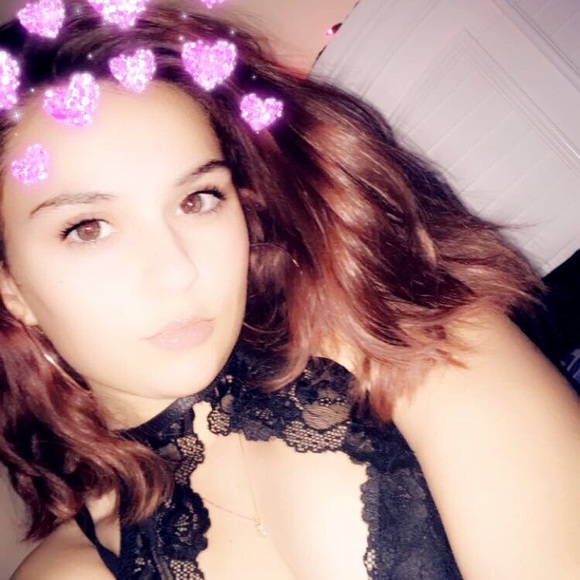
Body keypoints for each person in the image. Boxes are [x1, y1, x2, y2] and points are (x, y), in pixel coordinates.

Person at [0, 1, 578, 578]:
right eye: (88, 229)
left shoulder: (392, 333)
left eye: (198, 199)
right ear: (12, 288)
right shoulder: (65, 570)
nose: (176, 272)